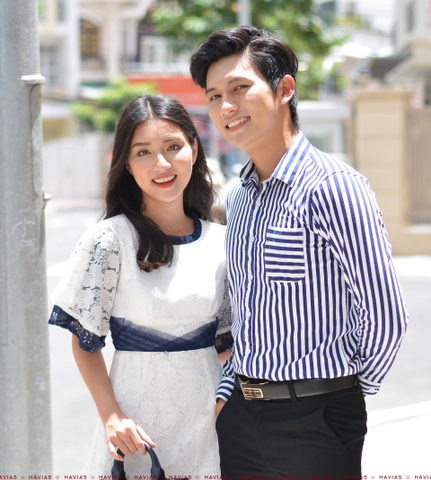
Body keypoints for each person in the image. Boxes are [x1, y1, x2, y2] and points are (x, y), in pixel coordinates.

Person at [189, 26, 409, 478]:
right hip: (241, 418)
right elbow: (247, 312)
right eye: (213, 96)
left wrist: (343, 390)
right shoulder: (241, 196)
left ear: (284, 88)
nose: (225, 107)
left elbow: (386, 315)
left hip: (316, 421)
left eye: (239, 88)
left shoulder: (334, 187)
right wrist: (229, 391)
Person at [48, 94, 231, 476]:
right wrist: (112, 417)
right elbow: (85, 343)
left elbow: (228, 343)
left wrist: (223, 402)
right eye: (143, 152)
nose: (161, 164)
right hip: (135, 427)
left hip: (212, 425)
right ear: (126, 164)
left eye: (173, 147)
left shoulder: (223, 241)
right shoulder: (108, 240)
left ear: (194, 150)